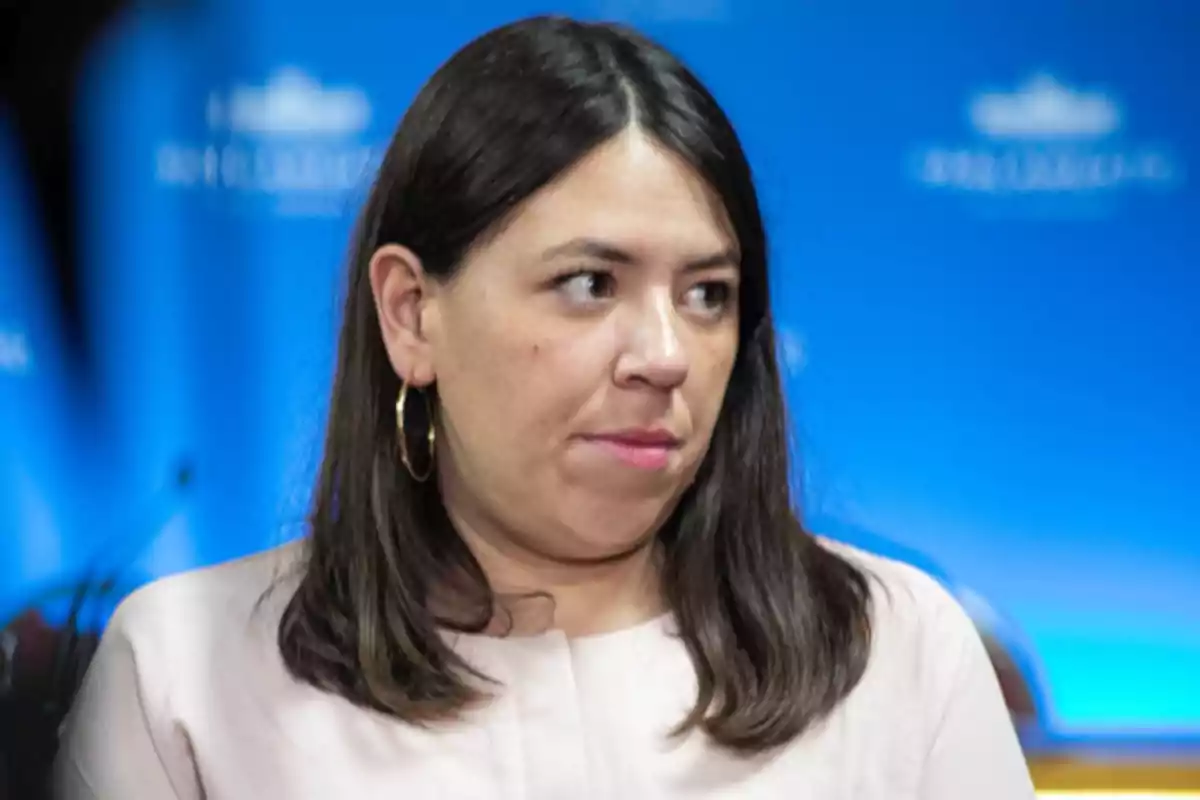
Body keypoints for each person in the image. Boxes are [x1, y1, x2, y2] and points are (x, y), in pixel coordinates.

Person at [52, 15, 1036, 799]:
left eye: (707, 295)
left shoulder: (898, 650)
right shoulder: (184, 671)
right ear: (411, 313)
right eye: (588, 283)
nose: (663, 355)